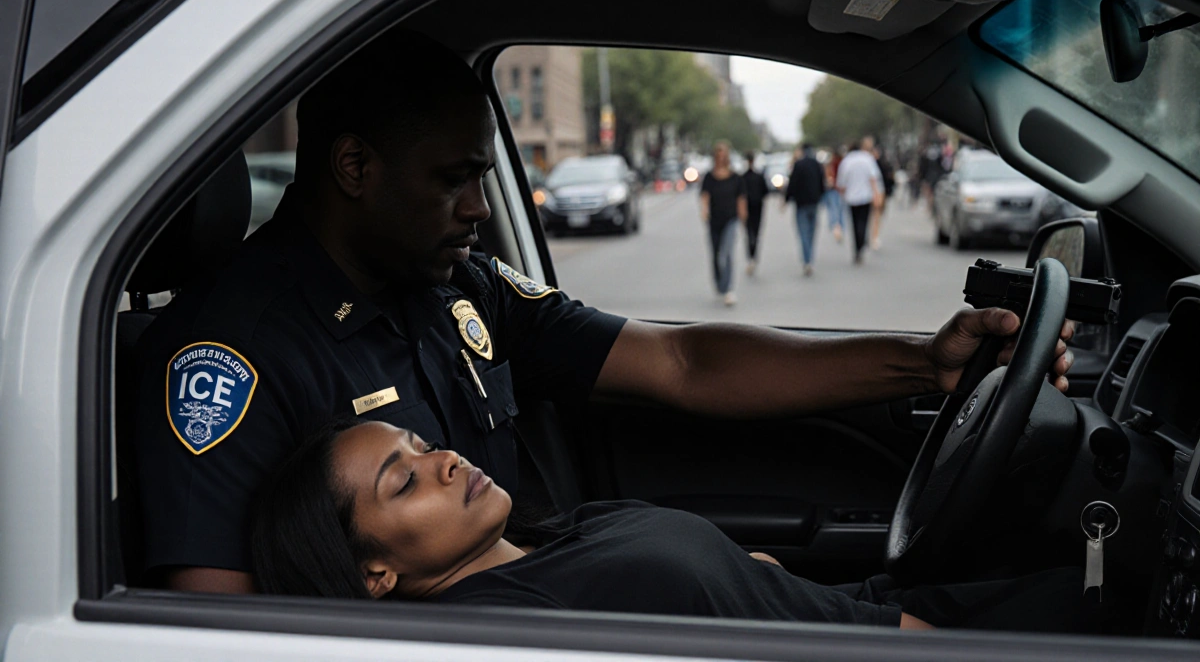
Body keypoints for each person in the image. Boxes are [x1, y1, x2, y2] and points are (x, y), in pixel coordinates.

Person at [133, 29, 1076, 595]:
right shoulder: (232, 358)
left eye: (480, 176)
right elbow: (216, 619)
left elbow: (679, 365)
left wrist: (925, 362)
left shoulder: (461, 287)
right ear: (353, 168)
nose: (478, 207)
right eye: (454, 179)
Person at [252, 419, 1101, 634]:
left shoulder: (548, 540)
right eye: (404, 481)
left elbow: (743, 574)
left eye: (423, 443)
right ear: (372, 574)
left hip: (863, 604)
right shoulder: (530, 626)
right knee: (1113, 605)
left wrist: (751, 573)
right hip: (895, 638)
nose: (443, 460)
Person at [699, 141, 747, 305]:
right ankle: (719, 283)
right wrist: (704, 211)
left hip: (731, 219)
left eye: (723, 155)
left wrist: (742, 214)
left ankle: (728, 289)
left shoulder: (735, 177)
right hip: (714, 220)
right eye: (718, 155)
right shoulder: (709, 177)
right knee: (716, 254)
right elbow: (704, 196)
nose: (721, 158)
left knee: (726, 254)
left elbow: (741, 197)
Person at [836, 137, 884, 264]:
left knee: (855, 223)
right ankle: (861, 243)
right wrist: (877, 195)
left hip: (851, 198)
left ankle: (858, 247)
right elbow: (874, 178)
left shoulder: (847, 161)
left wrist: (842, 193)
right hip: (865, 197)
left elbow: (841, 182)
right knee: (863, 222)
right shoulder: (868, 159)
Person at [784, 143, 825, 276]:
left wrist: (786, 199)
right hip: (814, 202)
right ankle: (809, 258)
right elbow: (822, 182)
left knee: (803, 233)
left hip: (801, 204)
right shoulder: (817, 164)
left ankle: (807, 260)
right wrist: (821, 196)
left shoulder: (799, 164)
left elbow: (792, 184)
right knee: (812, 232)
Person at [740, 152, 769, 276]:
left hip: (751, 207)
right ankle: (753, 255)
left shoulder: (744, 177)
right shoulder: (757, 176)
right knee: (755, 232)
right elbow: (765, 192)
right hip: (755, 207)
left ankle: (751, 255)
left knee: (750, 233)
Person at [869, 143, 895, 251]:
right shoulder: (869, 164)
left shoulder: (883, 165)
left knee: (877, 216)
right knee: (873, 216)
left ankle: (874, 236)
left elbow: (889, 180)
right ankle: (872, 236)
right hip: (870, 193)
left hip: (880, 193)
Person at [820, 147, 847, 243]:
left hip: (833, 189)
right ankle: (839, 227)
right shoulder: (843, 163)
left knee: (833, 209)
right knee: (840, 209)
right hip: (840, 189)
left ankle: (836, 226)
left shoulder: (832, 164)